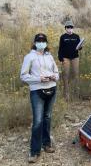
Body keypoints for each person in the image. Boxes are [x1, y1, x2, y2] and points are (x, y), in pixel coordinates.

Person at [20, 33, 59, 163]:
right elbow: (23, 76)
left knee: (47, 118)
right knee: (37, 121)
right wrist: (38, 79)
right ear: (35, 42)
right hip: (37, 91)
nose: (41, 43)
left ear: (46, 43)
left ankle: (46, 144)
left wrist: (54, 77)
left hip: (52, 89)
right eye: (39, 40)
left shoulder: (50, 56)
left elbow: (56, 72)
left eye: (43, 41)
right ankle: (34, 151)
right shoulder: (29, 57)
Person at [58, 20, 83, 101]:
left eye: (71, 27)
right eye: (68, 27)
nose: (70, 29)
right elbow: (60, 48)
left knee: (76, 74)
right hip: (66, 58)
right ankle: (66, 95)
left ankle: (77, 93)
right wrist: (60, 57)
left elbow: (80, 47)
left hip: (75, 57)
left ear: (73, 28)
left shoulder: (76, 36)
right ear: (65, 28)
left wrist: (80, 47)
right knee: (65, 75)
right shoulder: (63, 37)